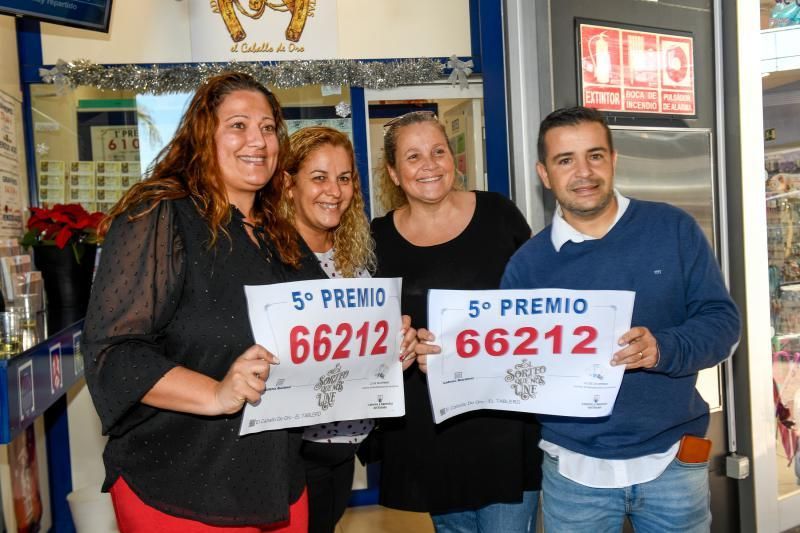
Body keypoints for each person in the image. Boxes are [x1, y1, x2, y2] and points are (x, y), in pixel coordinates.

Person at [83, 72, 311, 532]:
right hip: (178, 484)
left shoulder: (280, 234)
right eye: (239, 125)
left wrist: (385, 344)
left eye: (268, 128)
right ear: (203, 135)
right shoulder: (160, 214)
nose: (259, 141)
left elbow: (314, 337)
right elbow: (113, 352)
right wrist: (215, 393)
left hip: (277, 481)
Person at [500, 106, 741, 532]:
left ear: (613, 160)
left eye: (595, 155)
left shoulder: (673, 229)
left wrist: (662, 348)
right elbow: (509, 365)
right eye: (565, 160)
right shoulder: (528, 265)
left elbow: (722, 323)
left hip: (673, 463)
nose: (583, 172)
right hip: (573, 473)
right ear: (544, 173)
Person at [370, 110, 541, 532]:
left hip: (503, 420)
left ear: (453, 158)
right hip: (431, 431)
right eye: (413, 157)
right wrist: (397, 341)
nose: (429, 165)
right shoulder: (377, 238)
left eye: (438, 151)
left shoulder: (499, 214)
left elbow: (540, 301)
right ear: (393, 172)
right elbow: (372, 330)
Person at [268, 125, 417, 533]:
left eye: (344, 177)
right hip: (293, 453)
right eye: (318, 177)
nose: (334, 190)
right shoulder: (264, 258)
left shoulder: (357, 256)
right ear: (288, 183)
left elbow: (369, 346)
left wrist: (396, 348)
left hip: (345, 448)